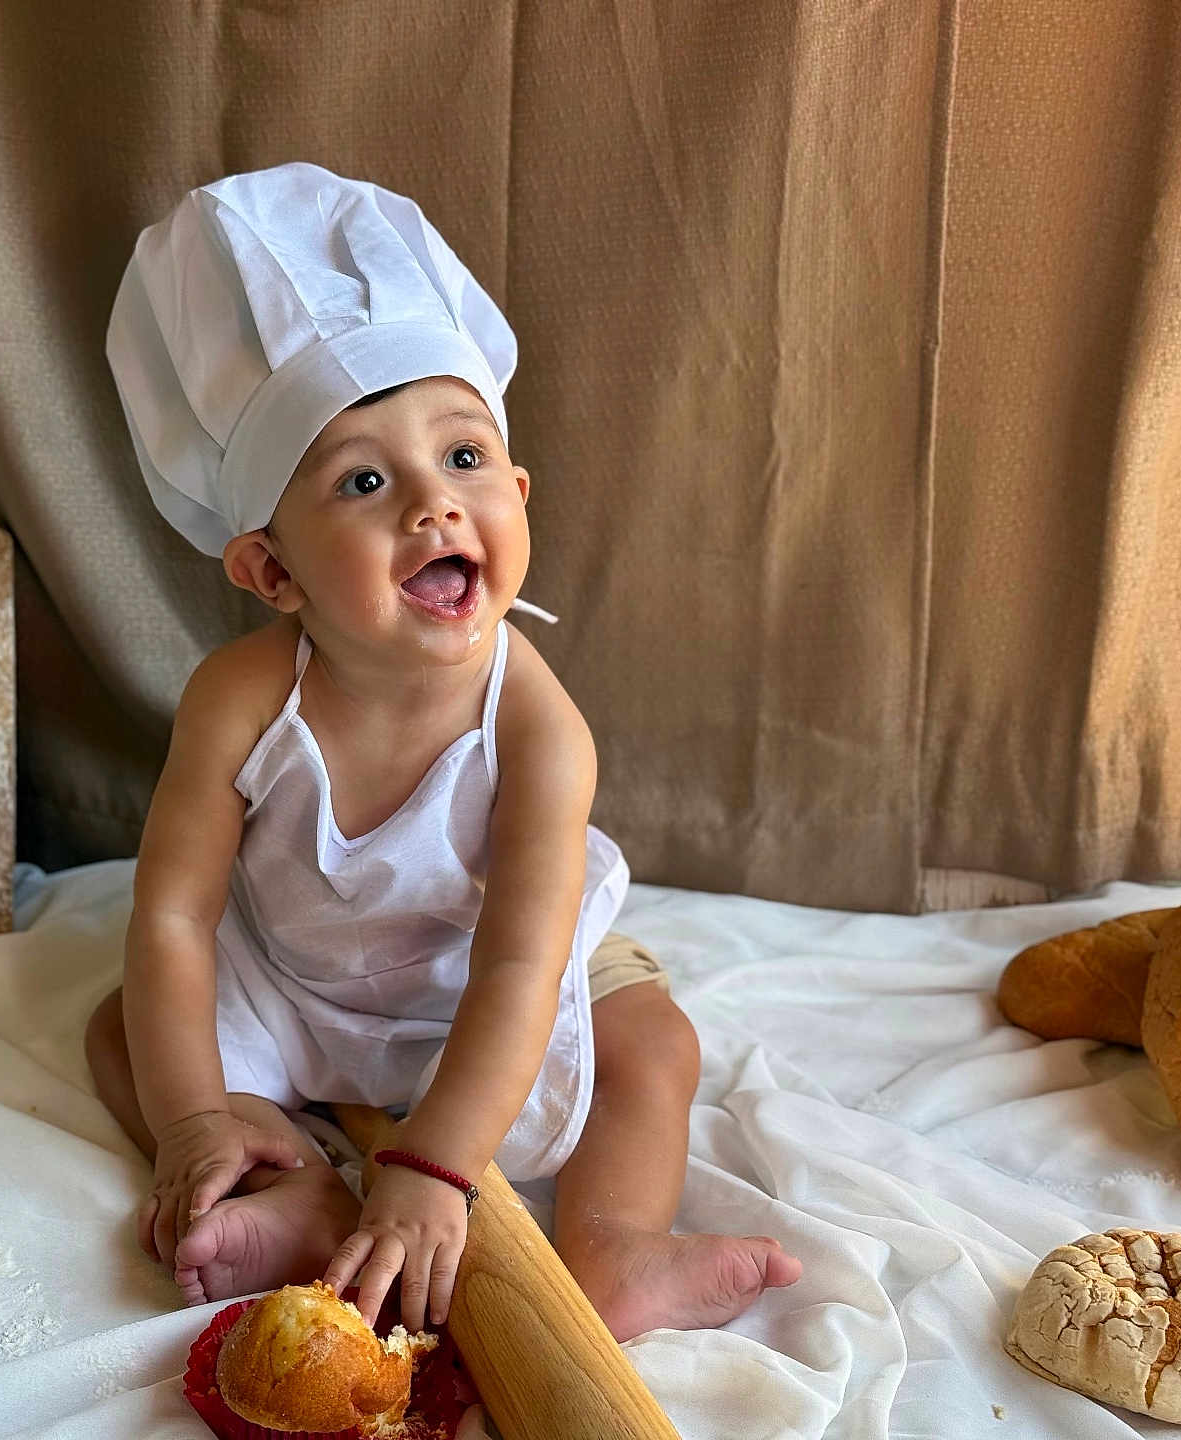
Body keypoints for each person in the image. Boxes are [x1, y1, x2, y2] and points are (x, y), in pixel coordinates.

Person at [88, 162, 799, 1341]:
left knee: (650, 1042)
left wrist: (437, 1168)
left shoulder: (536, 728)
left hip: (490, 983)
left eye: (465, 459)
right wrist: (193, 1119)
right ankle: (291, 1188)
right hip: (298, 975)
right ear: (272, 570)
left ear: (517, 491)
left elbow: (521, 967)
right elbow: (172, 915)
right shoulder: (240, 700)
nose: (434, 504)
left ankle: (615, 1245)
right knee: (128, 1030)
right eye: (365, 480)